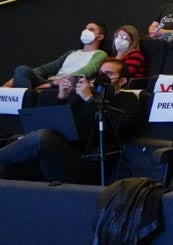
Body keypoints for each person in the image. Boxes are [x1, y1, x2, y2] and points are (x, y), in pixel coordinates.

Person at [0, 58, 139, 183]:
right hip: (62, 150)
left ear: (122, 81)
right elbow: (52, 122)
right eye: (100, 72)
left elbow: (117, 129)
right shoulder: (80, 96)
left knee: (42, 138)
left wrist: (89, 99)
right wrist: (62, 96)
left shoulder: (128, 100)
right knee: (17, 139)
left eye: (108, 74)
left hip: (85, 160)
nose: (102, 77)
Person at [5, 22, 108, 89]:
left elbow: (87, 71)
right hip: (53, 81)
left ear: (100, 37)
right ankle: (22, 99)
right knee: (22, 69)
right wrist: (14, 79)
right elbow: (45, 69)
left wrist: (56, 82)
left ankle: (24, 102)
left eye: (91, 30)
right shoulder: (72, 52)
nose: (86, 31)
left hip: (65, 85)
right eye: (85, 29)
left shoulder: (100, 54)